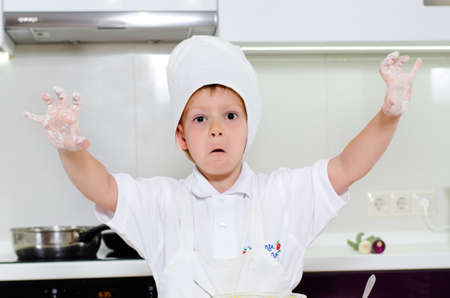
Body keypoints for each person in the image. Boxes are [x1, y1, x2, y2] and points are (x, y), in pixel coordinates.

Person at [24, 36, 422, 297]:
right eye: (200, 119)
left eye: (231, 116)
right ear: (181, 138)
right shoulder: (161, 202)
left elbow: (349, 166)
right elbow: (103, 188)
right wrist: (69, 149)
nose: (217, 130)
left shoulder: (284, 196)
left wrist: (390, 112)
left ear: (250, 129)